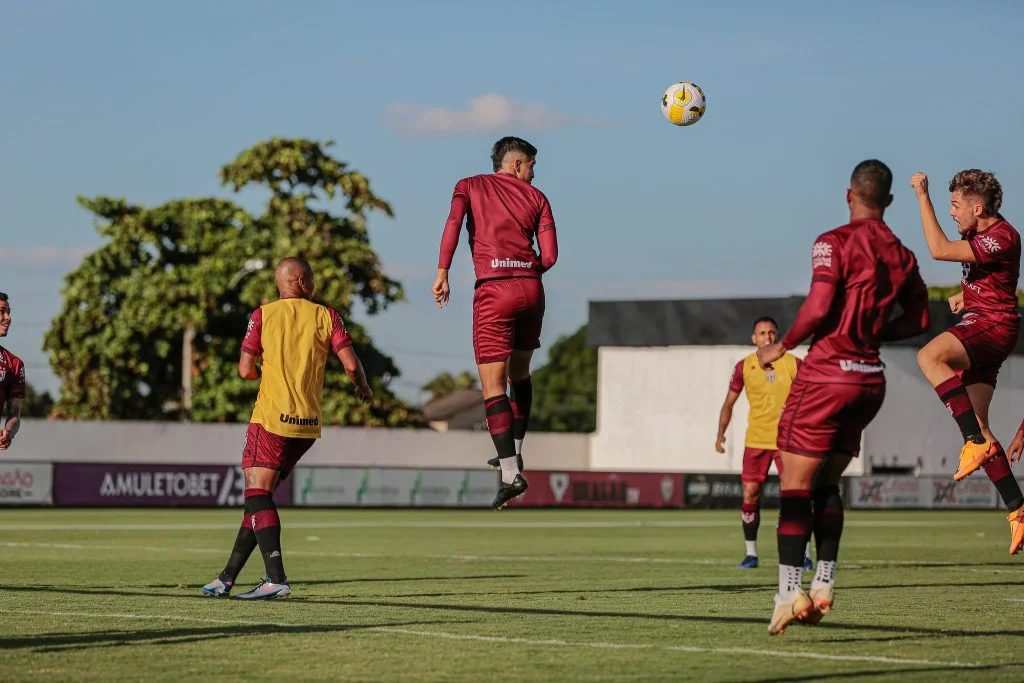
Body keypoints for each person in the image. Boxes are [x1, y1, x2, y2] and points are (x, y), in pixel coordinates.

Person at [757, 160, 930, 635]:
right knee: (826, 482)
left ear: (848, 194)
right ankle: (825, 582)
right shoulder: (903, 253)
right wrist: (871, 332)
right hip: (869, 378)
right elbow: (919, 322)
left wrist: (783, 343)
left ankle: (787, 594)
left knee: (794, 485)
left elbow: (817, 307)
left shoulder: (832, 241)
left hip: (826, 375)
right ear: (889, 202)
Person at [202, 257, 372, 599]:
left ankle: (276, 578)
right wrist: (363, 387)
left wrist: (270, 369)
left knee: (256, 495)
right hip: (307, 425)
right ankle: (227, 577)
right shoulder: (327, 315)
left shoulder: (263, 315)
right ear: (304, 283)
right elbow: (352, 365)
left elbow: (246, 371)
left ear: (281, 283)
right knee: (259, 500)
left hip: (271, 418)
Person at [432, 136, 559, 510]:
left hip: (494, 290)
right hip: (532, 290)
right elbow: (549, 256)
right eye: (532, 166)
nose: (534, 174)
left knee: (492, 386)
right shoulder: (539, 199)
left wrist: (443, 272)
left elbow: (454, 224)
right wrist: (525, 269)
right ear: (517, 164)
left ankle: (509, 474)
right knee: (520, 375)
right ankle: (516, 452)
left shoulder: (468, 186)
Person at [911, 169, 1024, 555]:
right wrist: (966, 296)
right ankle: (1018, 510)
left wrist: (922, 196)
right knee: (979, 422)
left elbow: (938, 250)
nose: (951, 210)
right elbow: (984, 277)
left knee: (929, 356)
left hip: (993, 327)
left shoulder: (1003, 235)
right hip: (986, 322)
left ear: (978, 206)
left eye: (956, 204)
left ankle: (973, 443)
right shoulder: (975, 233)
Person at [717, 316, 811, 570]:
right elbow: (729, 403)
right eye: (761, 333)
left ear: (777, 336)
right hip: (756, 441)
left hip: (788, 442)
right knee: (750, 493)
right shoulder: (744, 367)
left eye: (771, 332)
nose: (767, 337)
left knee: (794, 496)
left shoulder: (793, 364)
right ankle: (751, 553)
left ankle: (804, 553)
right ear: (754, 338)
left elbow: (812, 397)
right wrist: (720, 434)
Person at [0, 292, 25, 452]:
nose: (8, 317)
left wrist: (8, 432)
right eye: (2, 311)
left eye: (9, 312)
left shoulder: (14, 363)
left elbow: (14, 414)